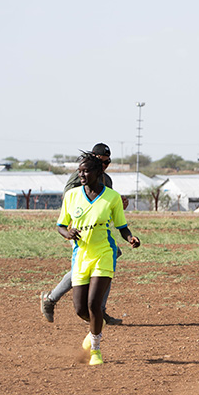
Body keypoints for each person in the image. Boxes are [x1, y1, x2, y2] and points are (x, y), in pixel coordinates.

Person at [56, 151, 140, 365]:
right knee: (80, 309)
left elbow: (122, 226)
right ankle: (95, 329)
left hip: (104, 253)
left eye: (86, 171)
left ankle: (95, 350)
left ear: (98, 171)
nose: (81, 175)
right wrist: (68, 234)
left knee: (94, 304)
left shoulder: (112, 197)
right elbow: (61, 226)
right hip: (81, 256)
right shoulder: (72, 195)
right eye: (80, 171)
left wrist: (131, 238)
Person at [40, 143, 128, 325]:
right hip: (77, 230)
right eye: (102, 161)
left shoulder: (107, 180)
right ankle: (51, 299)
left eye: (108, 162)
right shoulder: (80, 176)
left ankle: (99, 309)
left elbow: (107, 202)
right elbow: (70, 199)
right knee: (81, 267)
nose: (105, 165)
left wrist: (119, 203)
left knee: (110, 258)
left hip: (99, 231)